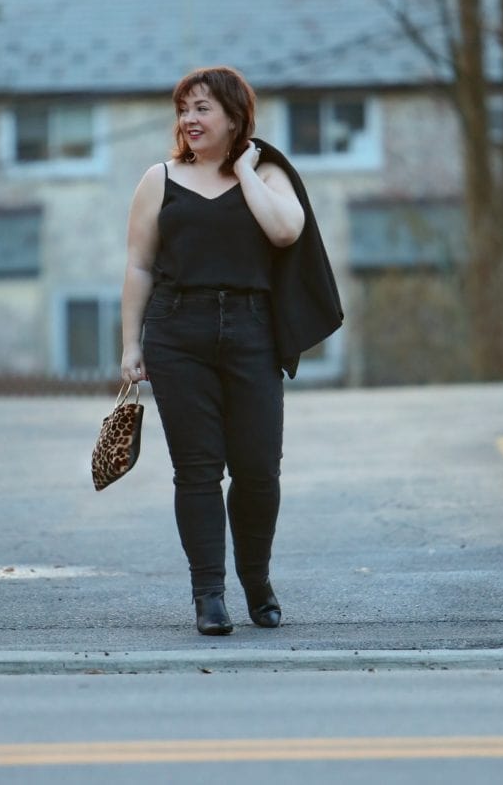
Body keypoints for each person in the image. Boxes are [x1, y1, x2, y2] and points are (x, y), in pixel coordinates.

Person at [121, 65, 342, 636]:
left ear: (234, 115)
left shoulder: (267, 172)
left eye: (202, 109)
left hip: (250, 332)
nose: (189, 120)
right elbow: (139, 265)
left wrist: (243, 170)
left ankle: (257, 582)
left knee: (258, 471)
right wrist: (129, 344)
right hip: (176, 331)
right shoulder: (159, 179)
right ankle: (208, 596)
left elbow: (286, 232)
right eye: (183, 109)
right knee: (195, 471)